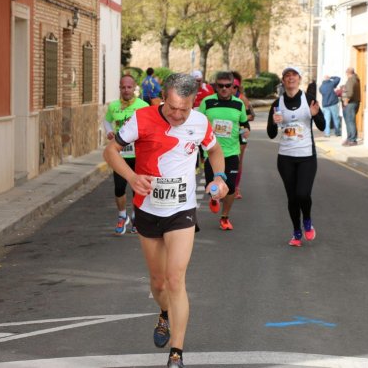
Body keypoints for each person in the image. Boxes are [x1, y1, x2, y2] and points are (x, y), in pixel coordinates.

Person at [103, 73, 228, 368]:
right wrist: (132, 177)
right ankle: (164, 314)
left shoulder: (199, 122)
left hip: (181, 211)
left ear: (192, 103)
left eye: (184, 109)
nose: (178, 115)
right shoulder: (141, 118)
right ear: (163, 97)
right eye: (172, 108)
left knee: (175, 279)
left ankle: (177, 353)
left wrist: (220, 177)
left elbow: (215, 150)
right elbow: (110, 152)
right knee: (159, 284)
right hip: (148, 209)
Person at [267, 66, 325, 247]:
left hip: (307, 155)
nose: (290, 78)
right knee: (292, 198)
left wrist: (315, 116)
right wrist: (274, 123)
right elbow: (270, 134)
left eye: (294, 75)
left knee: (303, 194)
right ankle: (296, 232)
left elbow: (322, 126)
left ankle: (307, 219)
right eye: (287, 76)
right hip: (285, 157)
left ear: (299, 79)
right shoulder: (277, 104)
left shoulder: (309, 100)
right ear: (283, 81)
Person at [199, 71, 250, 230]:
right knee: (211, 186)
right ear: (215, 86)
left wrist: (246, 132)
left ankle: (225, 217)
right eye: (220, 86)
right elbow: (198, 124)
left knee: (231, 188)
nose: (224, 89)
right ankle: (214, 198)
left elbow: (244, 124)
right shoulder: (207, 102)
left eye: (228, 86)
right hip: (211, 152)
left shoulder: (238, 104)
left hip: (231, 152)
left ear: (233, 87)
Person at [104, 75, 150, 235]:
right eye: (123, 87)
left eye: (129, 87)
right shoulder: (114, 106)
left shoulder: (143, 106)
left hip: (139, 155)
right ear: (120, 88)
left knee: (137, 188)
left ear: (134, 88)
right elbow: (107, 120)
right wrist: (109, 131)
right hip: (120, 155)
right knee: (119, 188)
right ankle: (122, 216)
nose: (126, 90)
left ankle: (136, 217)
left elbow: (150, 126)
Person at [230, 72, 255, 200]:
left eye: (234, 87)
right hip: (227, 133)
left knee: (238, 160)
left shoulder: (242, 99)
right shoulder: (219, 99)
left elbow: (252, 115)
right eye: (229, 85)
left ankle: (236, 187)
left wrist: (242, 118)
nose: (231, 89)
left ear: (238, 87)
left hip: (241, 130)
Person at [342, 67, 361, 146]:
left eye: (346, 73)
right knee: (350, 121)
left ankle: (352, 139)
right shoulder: (356, 79)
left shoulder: (351, 80)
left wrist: (346, 100)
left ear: (348, 73)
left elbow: (350, 92)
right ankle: (350, 138)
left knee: (350, 121)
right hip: (354, 102)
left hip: (350, 103)